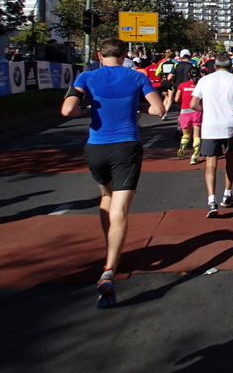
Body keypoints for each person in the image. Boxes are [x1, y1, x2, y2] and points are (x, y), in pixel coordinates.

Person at [60, 37, 165, 308]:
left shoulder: (87, 76)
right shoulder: (137, 76)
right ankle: (109, 268)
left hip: (96, 148)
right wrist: (138, 107)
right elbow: (158, 109)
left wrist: (90, 108)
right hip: (126, 146)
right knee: (120, 209)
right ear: (125, 54)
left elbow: (67, 109)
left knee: (105, 197)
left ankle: (111, 249)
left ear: (99, 54)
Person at [190, 53, 233, 218]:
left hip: (210, 125)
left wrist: (206, 110)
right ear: (231, 67)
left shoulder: (205, 80)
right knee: (230, 157)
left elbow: (193, 104)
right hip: (230, 124)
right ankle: (227, 193)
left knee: (211, 162)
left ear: (215, 66)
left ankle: (211, 201)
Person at [175, 67, 203, 165]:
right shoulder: (200, 85)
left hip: (184, 112)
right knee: (196, 135)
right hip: (196, 111)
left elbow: (177, 98)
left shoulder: (182, 85)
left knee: (186, 134)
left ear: (188, 75)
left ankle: (182, 148)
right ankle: (194, 156)